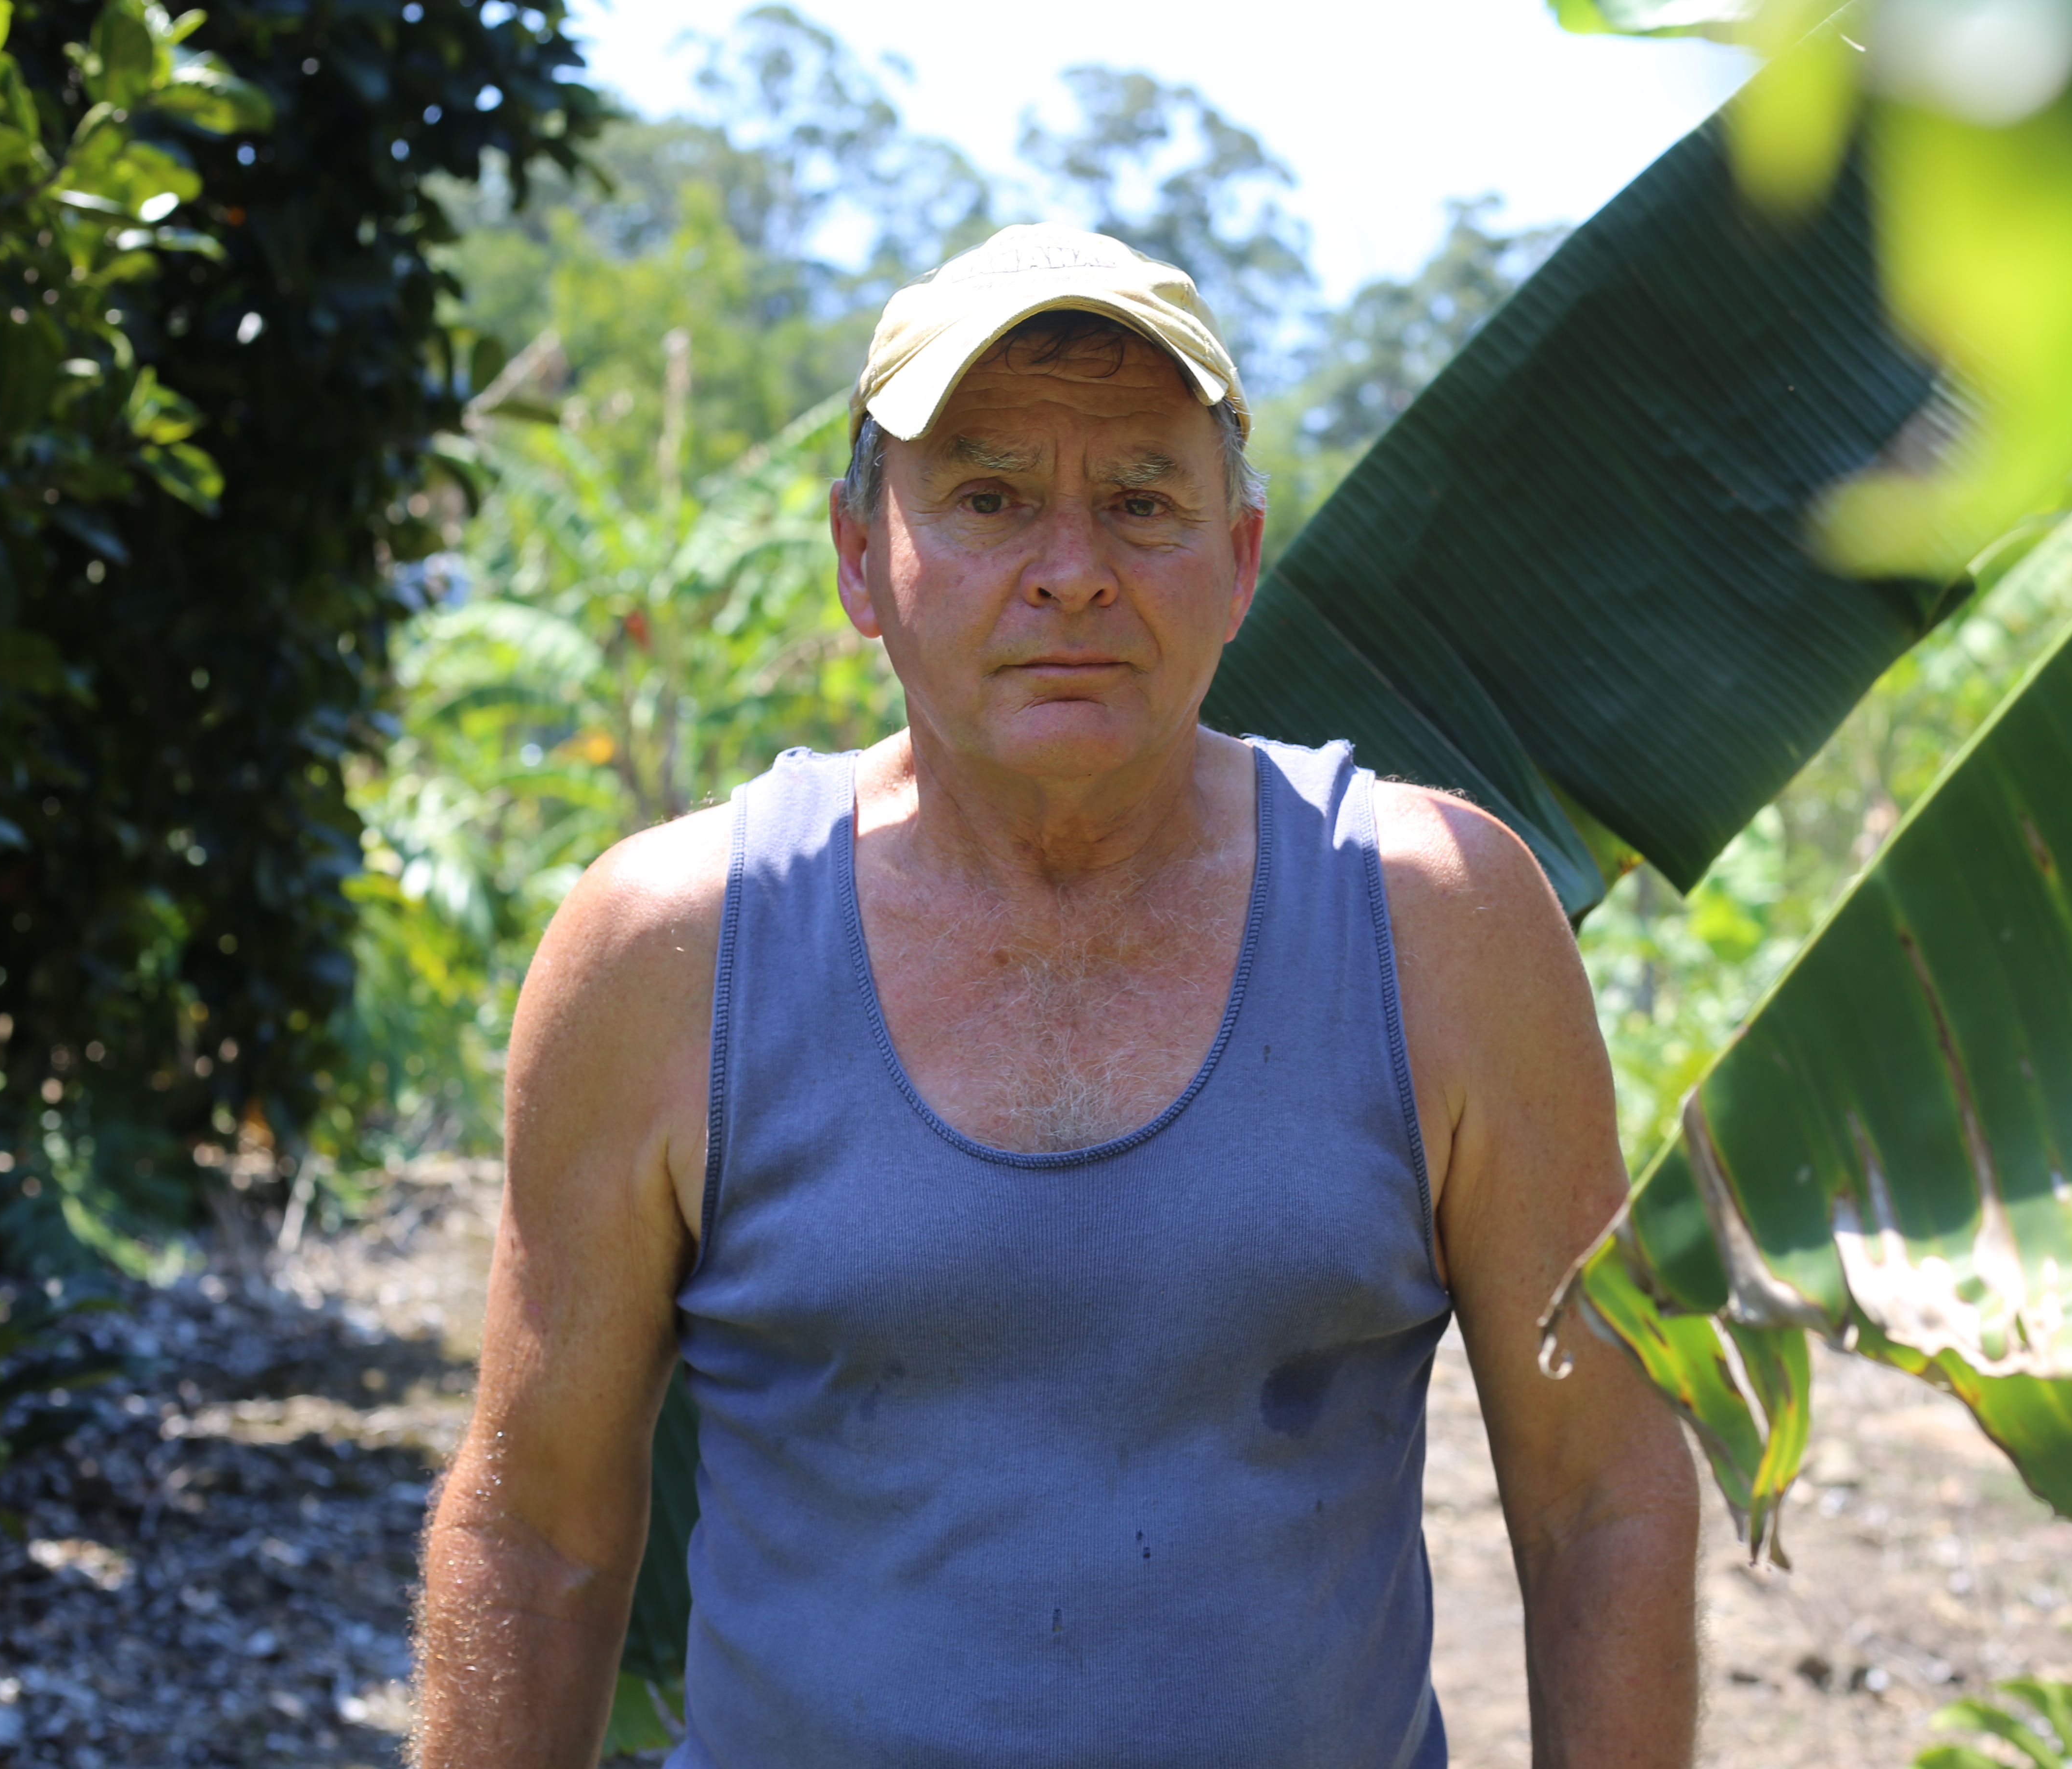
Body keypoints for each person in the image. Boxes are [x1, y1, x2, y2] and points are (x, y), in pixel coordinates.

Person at [414, 223, 1699, 1769]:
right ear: (859, 561)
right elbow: (536, 1534)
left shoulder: (1436, 921)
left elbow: (1599, 1500)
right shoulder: (671, 950)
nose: (1073, 572)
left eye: (1144, 501)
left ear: (1237, 560)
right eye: (989, 499)